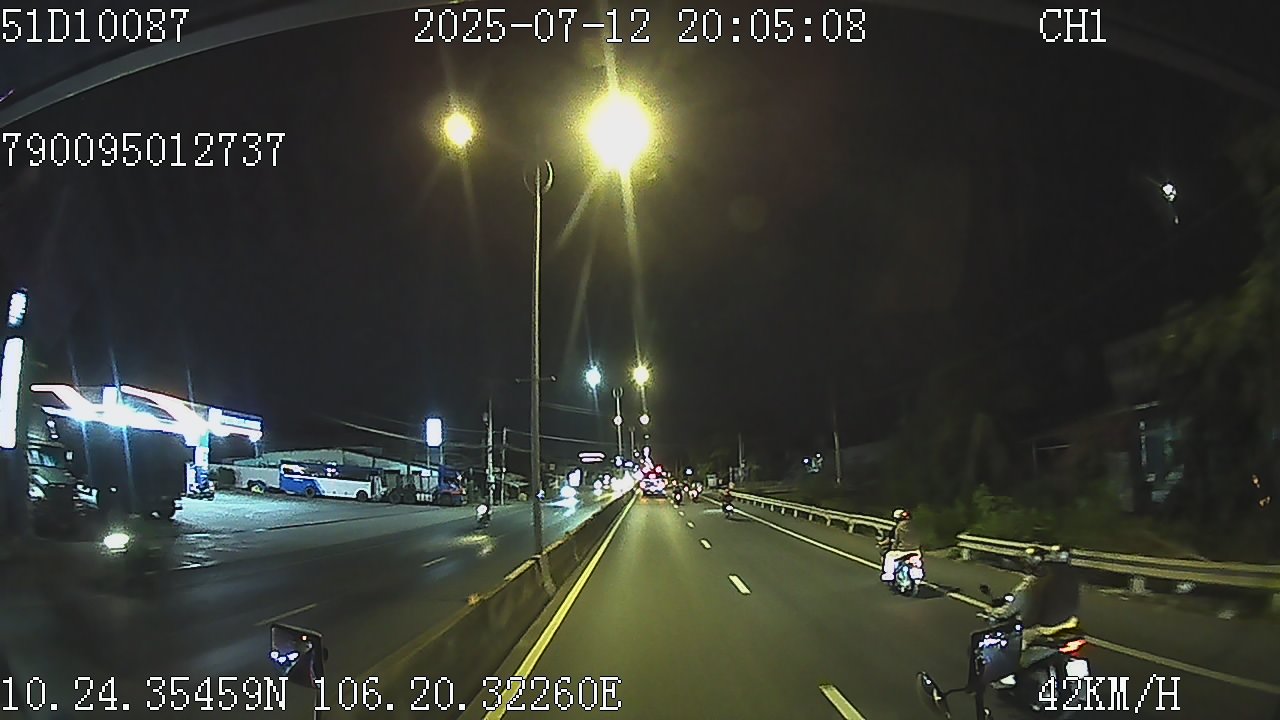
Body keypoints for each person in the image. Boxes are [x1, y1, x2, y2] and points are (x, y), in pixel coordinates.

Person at [989, 545, 1081, 663]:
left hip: (1042, 626)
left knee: (1012, 655)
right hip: (1066, 623)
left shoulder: (1032, 583)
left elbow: (1013, 607)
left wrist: (996, 613)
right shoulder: (1070, 579)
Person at [880, 508, 922, 581]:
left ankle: (889, 575)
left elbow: (896, 539)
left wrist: (893, 548)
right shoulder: (915, 526)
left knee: (889, 557)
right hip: (916, 550)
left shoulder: (899, 527)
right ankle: (917, 574)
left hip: (902, 550)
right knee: (916, 561)